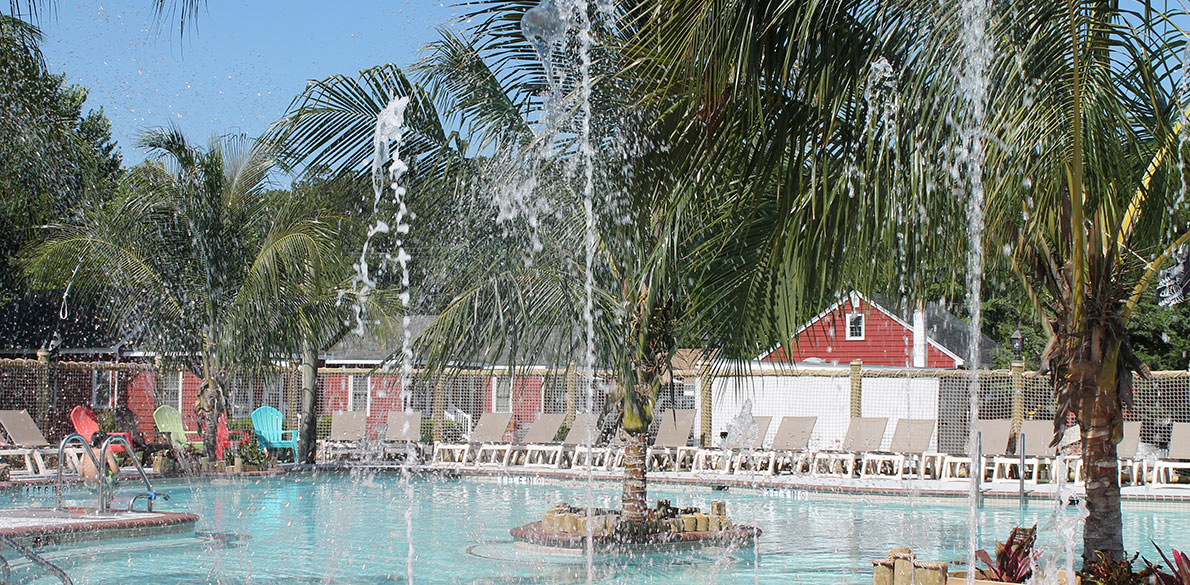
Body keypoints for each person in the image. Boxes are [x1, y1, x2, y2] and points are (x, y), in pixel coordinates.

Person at [78, 431, 120, 504]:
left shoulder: (86, 453)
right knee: (110, 477)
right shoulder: (105, 452)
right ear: (104, 442)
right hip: (100, 484)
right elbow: (115, 471)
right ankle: (107, 505)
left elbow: (81, 473)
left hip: (88, 484)